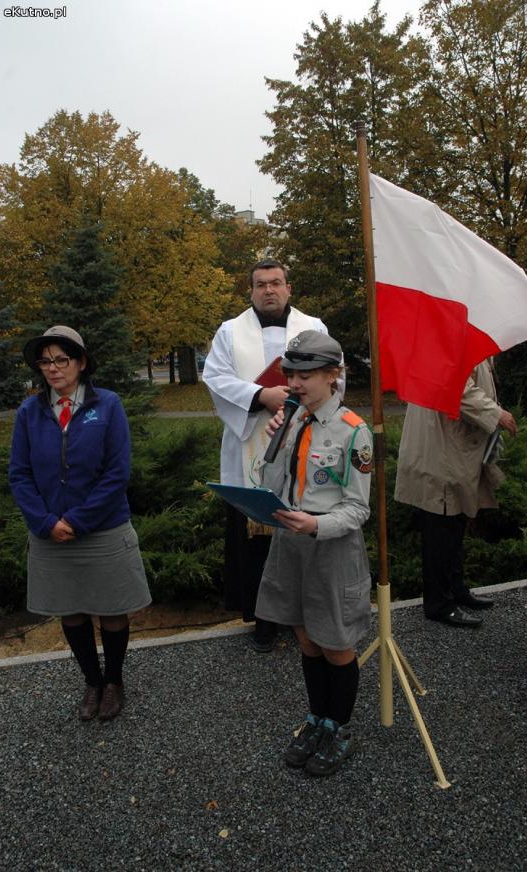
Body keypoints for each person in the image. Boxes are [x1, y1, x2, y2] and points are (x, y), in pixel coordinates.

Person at [9, 325, 151, 721]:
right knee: (70, 610)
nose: (52, 368)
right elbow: (19, 474)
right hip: (50, 531)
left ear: (81, 363)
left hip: (103, 528)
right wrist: (46, 521)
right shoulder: (29, 411)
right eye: (45, 361)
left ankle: (114, 681)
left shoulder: (108, 405)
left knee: (112, 609)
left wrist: (77, 520)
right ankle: (92, 681)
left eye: (61, 359)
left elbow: (117, 472)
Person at [202, 259, 342, 652]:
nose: (269, 290)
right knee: (255, 540)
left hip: (306, 442)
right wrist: (260, 395)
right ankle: (263, 620)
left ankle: (304, 615)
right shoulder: (230, 332)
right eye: (261, 284)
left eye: (276, 283)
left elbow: (337, 377)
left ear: (288, 288)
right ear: (250, 291)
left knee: (300, 528)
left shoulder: (313, 328)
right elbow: (214, 377)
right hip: (250, 441)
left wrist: (296, 399)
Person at [255, 330, 372, 777]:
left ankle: (339, 727)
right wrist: (272, 444)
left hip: (330, 547)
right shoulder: (291, 420)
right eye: (292, 373)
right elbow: (270, 485)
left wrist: (317, 525)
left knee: (335, 642)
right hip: (290, 543)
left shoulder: (353, 432)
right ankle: (317, 718)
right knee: (305, 636)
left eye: (306, 374)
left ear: (332, 375)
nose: (296, 382)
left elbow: (358, 508)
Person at [394, 359, 517, 628]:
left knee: (454, 523)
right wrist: (496, 413)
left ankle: (455, 590)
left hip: (451, 448)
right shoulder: (450, 334)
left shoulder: (462, 331)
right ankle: (439, 603)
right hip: (440, 452)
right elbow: (455, 386)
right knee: (441, 527)